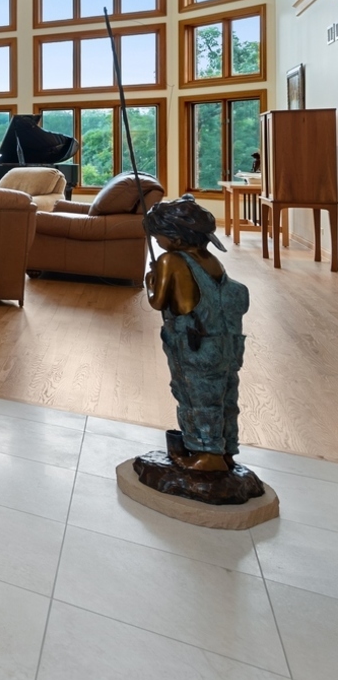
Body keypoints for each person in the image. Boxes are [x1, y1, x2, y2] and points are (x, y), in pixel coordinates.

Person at [143, 195, 250, 473]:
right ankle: (226, 451)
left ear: (175, 238)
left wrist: (150, 281)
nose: (157, 244)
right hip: (227, 346)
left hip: (194, 348)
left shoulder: (171, 261)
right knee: (225, 398)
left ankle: (207, 455)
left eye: (158, 238)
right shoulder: (211, 260)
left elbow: (158, 302)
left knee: (196, 397)